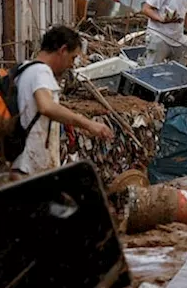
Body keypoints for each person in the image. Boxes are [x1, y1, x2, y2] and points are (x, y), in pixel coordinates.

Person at [13, 25, 114, 176]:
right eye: (72, 57)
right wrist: (88, 124)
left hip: (21, 161)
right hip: (28, 165)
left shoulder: (24, 68)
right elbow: (46, 107)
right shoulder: (41, 71)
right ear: (63, 50)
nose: (72, 64)